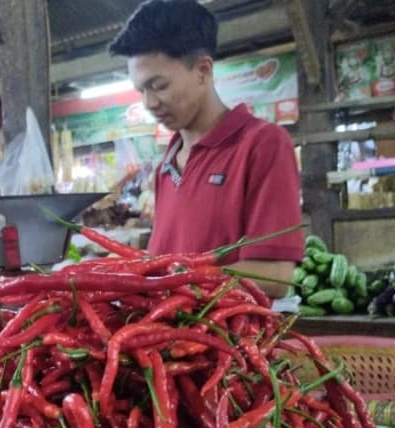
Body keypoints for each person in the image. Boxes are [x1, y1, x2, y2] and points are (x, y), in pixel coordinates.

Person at [109, 0, 303, 297]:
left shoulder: (262, 144)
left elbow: (275, 275)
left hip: (230, 340)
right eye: (141, 90)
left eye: (159, 86)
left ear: (202, 70)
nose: (149, 103)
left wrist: (168, 279)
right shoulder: (167, 164)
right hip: (161, 338)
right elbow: (164, 261)